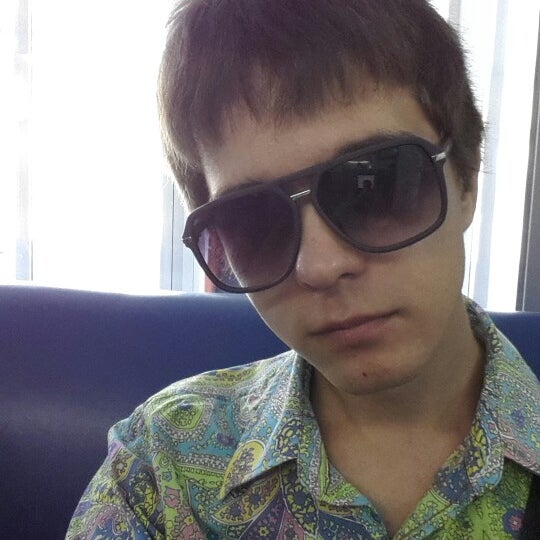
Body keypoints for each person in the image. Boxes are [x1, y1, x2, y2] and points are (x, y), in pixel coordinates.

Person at [66, 0, 540, 538]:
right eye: (253, 221)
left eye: (376, 186)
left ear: (466, 179)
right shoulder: (160, 465)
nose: (320, 266)